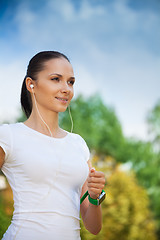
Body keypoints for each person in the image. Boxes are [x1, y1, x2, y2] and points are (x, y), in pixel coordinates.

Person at [0, 51, 105, 240]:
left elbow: (94, 227)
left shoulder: (78, 144)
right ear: (31, 84)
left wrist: (94, 197)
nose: (66, 88)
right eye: (56, 79)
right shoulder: (8, 136)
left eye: (70, 82)